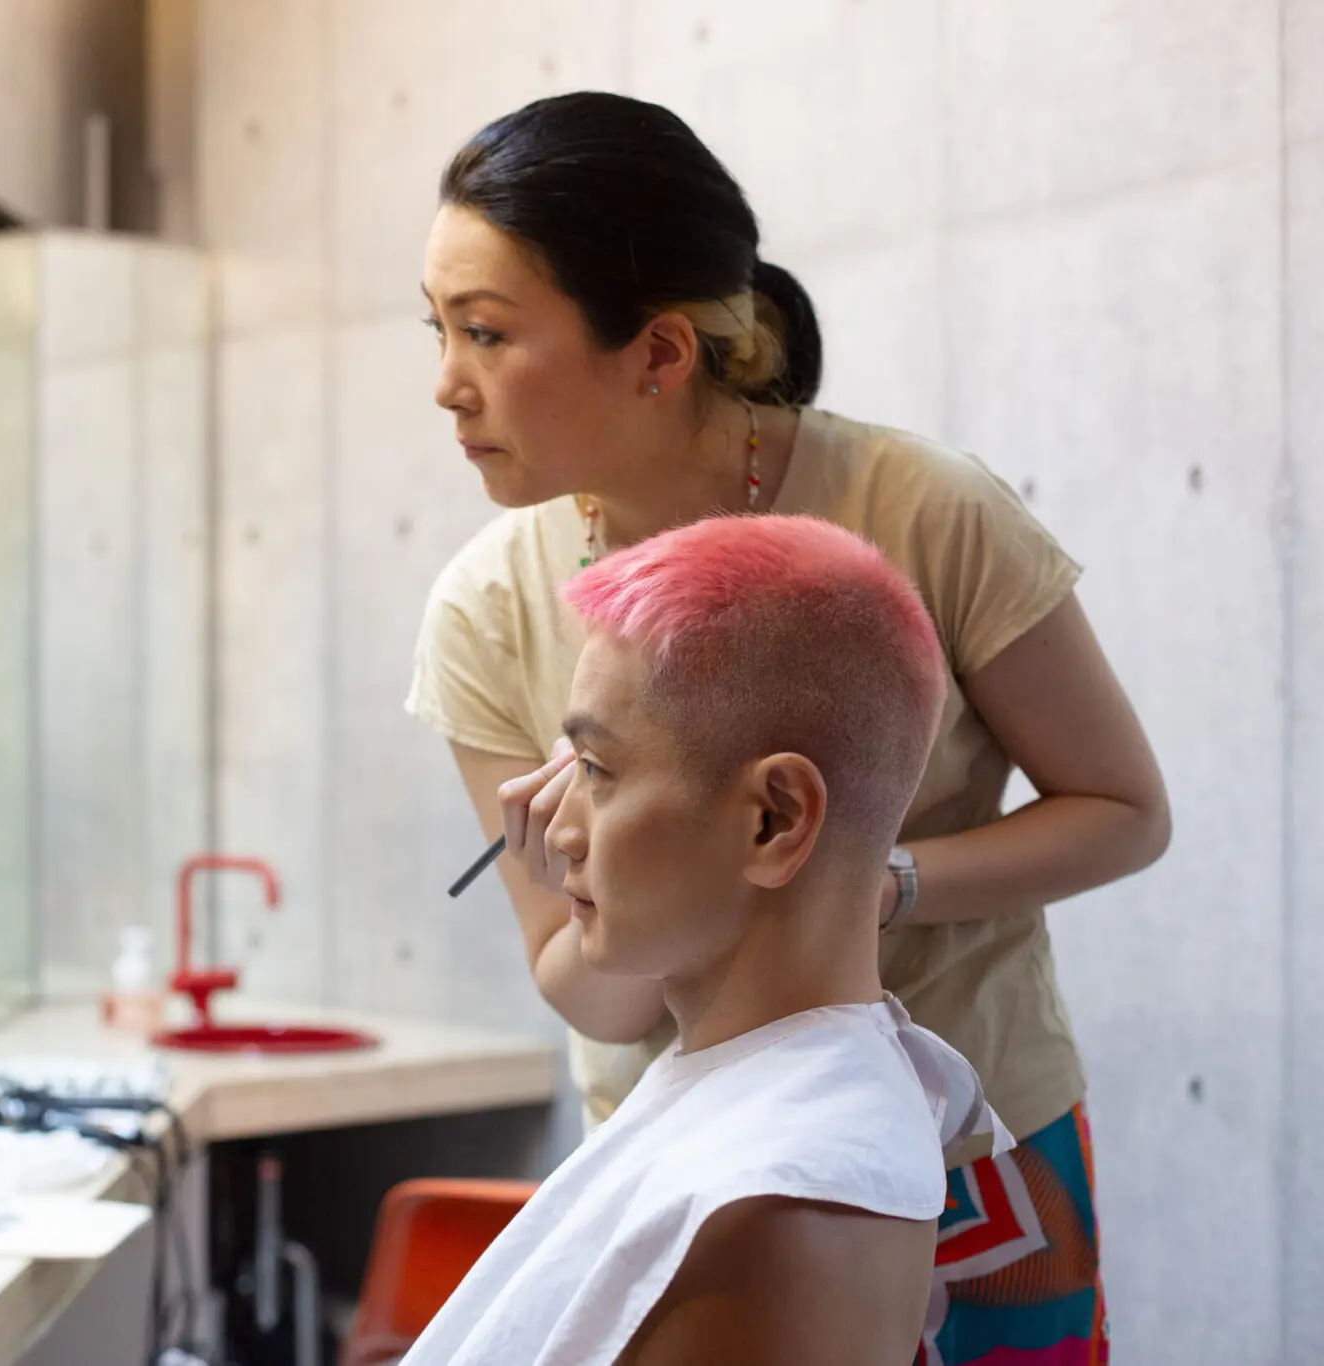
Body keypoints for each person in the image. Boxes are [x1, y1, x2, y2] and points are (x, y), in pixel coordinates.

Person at [408, 92, 1170, 1365]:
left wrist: (869, 881)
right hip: (696, 1170)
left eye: (483, 332)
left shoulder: (924, 511)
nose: (444, 385)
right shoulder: (484, 609)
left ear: (658, 352)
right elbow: (598, 1002)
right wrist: (595, 877)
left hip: (977, 1142)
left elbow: (1124, 812)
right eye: (435, 329)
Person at [403, 514, 1006, 1366]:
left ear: (774, 820)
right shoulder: (759, 1111)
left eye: (595, 771)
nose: (558, 831)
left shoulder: (780, 1205)